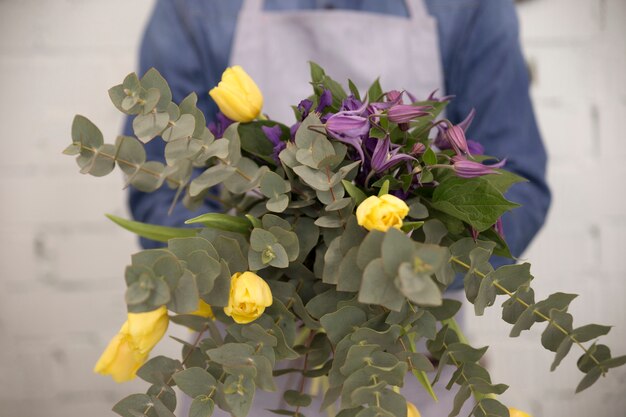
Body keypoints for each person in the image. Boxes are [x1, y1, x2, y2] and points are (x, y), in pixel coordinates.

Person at [124, 0, 551, 415]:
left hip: (409, 363)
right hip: (244, 367)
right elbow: (161, 189)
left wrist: (404, 275)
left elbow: (516, 192)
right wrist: (272, 280)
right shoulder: (192, 6)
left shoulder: (471, 6)